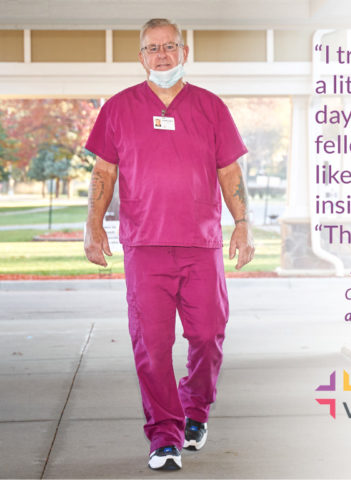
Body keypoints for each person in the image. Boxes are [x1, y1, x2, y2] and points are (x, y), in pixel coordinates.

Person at [83, 18, 254, 471]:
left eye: (170, 46)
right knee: (151, 345)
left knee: (208, 335)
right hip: (145, 246)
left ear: (185, 51)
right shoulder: (118, 109)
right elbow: (103, 172)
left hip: (201, 245)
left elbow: (230, 172)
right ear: (141, 56)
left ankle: (195, 410)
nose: (161, 55)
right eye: (152, 48)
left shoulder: (210, 107)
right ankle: (164, 435)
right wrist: (93, 225)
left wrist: (242, 223)